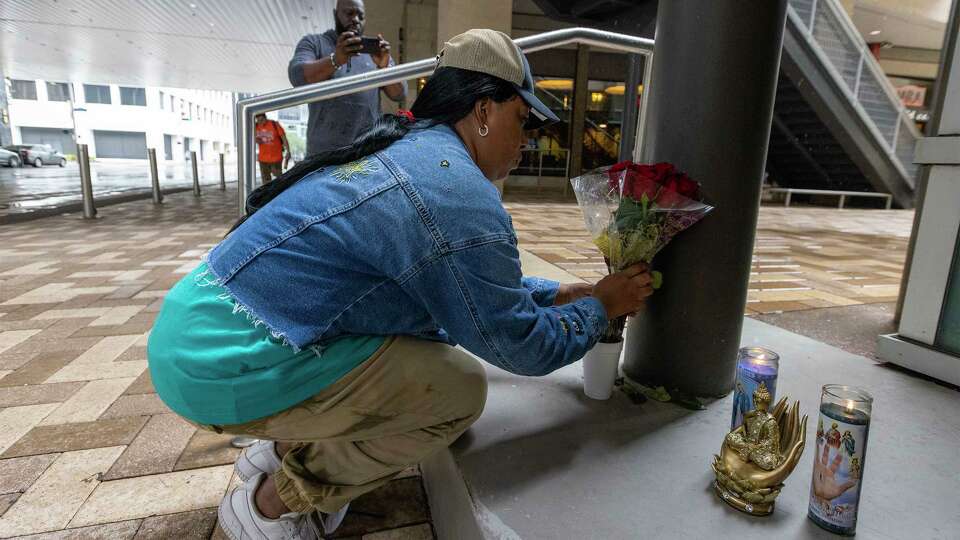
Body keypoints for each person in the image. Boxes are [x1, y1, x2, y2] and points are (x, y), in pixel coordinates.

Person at [148, 29, 654, 539]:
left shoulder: (409, 148)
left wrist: (556, 293)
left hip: (196, 330)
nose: (527, 141)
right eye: (522, 120)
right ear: (483, 111)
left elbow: (457, 281)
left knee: (420, 345)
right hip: (224, 366)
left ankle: (277, 447)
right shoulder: (456, 192)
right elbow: (519, 345)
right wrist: (600, 309)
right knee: (454, 392)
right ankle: (269, 504)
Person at [288, 0, 406, 157]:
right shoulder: (315, 43)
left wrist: (385, 68)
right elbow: (298, 76)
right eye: (349, 13)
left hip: (367, 151)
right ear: (335, 14)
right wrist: (336, 59)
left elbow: (399, 94)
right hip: (323, 155)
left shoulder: (375, 52)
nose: (356, 19)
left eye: (361, 16)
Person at [255, 114, 290, 185]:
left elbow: (284, 139)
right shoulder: (255, 126)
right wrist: (256, 140)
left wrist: (288, 151)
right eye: (258, 120)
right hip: (263, 159)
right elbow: (253, 139)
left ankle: (280, 194)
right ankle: (268, 195)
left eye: (261, 120)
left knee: (279, 181)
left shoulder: (274, 124)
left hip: (275, 159)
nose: (260, 122)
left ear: (265, 117)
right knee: (266, 183)